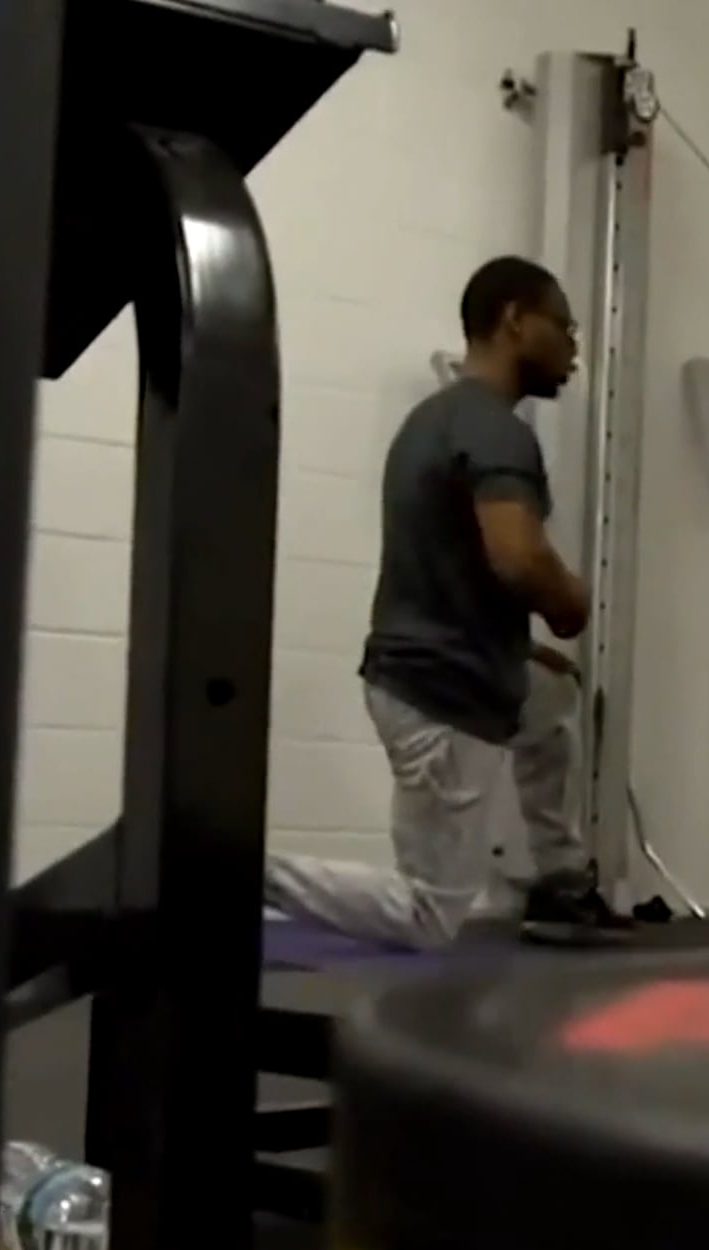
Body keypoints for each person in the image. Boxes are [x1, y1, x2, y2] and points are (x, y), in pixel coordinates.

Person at [263, 256, 633, 950]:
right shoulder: (495, 431)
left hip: (437, 667)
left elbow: (447, 569)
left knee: (551, 700)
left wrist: (523, 649)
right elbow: (518, 558)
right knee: (430, 916)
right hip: (441, 695)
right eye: (565, 328)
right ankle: (236, 875)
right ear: (515, 320)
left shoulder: (434, 421)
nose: (574, 350)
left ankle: (559, 880)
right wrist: (571, 603)